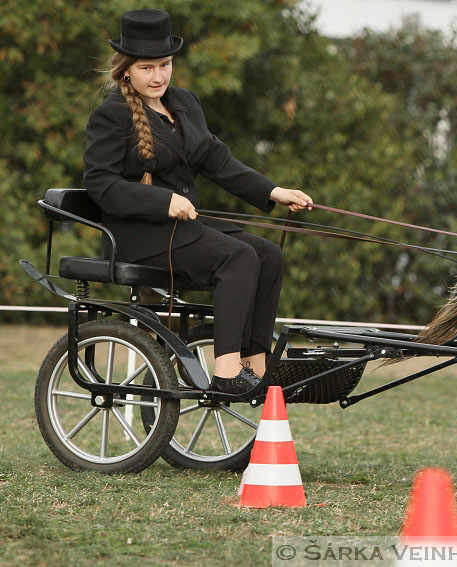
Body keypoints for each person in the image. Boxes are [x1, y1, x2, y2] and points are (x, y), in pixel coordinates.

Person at [84, 9, 312, 394]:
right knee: (236, 257)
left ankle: (255, 367)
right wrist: (163, 201)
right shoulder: (111, 116)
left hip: (183, 229)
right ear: (126, 70)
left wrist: (273, 191)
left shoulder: (184, 103)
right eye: (146, 68)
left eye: (165, 65)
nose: (158, 76)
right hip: (140, 235)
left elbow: (217, 160)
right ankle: (225, 373)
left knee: (269, 255)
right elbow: (100, 183)